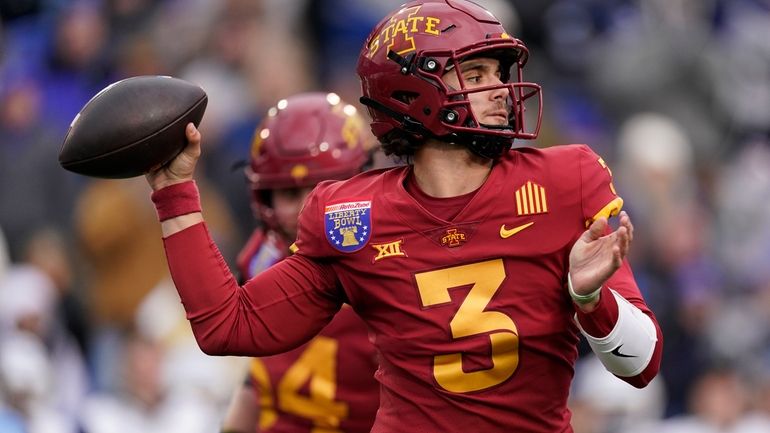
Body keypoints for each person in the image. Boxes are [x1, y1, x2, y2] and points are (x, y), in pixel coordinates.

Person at [144, 1, 663, 431]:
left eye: (499, 74)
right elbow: (231, 328)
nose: (501, 90)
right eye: (477, 73)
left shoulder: (565, 180)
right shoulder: (350, 214)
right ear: (418, 92)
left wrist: (592, 301)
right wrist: (174, 192)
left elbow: (643, 365)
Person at [219, 92, 380, 433]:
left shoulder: (390, 259)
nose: (311, 207)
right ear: (265, 199)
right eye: (291, 194)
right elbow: (261, 370)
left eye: (324, 187)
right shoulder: (261, 254)